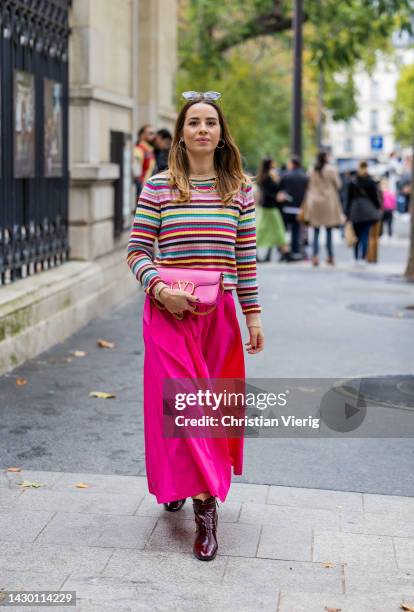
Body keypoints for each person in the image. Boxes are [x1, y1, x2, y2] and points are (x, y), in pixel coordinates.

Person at [126, 91, 264, 562]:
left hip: (218, 316)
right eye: (193, 123)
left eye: (210, 122)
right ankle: (205, 509)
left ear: (221, 133)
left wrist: (253, 314)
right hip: (167, 315)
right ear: (181, 135)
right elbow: (137, 252)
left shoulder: (239, 190)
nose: (202, 129)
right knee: (184, 407)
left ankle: (191, 491)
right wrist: (161, 290)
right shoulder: (159, 187)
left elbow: (244, 259)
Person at [303, 151, 343, 266]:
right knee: (329, 230)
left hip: (315, 202)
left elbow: (308, 185)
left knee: (315, 231)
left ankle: (315, 256)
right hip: (328, 202)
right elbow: (338, 185)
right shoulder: (331, 170)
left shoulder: (312, 170)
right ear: (326, 158)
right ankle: (330, 256)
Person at [345, 161, 381, 264]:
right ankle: (362, 257)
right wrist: (378, 207)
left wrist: (347, 212)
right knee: (365, 234)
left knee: (355, 234)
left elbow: (348, 198)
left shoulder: (353, 180)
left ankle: (356, 257)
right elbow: (375, 197)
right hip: (368, 210)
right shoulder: (370, 180)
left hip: (355, 210)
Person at [255, 157, 290, 263]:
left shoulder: (268, 175)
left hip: (268, 207)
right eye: (273, 162)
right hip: (269, 208)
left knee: (269, 231)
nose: (275, 163)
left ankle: (283, 252)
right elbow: (268, 193)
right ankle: (285, 252)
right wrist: (277, 197)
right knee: (270, 231)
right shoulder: (266, 177)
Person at [277, 155, 309, 259]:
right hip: (299, 208)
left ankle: (284, 252)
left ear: (292, 164)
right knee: (296, 230)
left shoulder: (285, 175)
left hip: (286, 207)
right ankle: (295, 251)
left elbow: (279, 189)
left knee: (284, 230)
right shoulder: (305, 177)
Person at [133, 125, 156, 199]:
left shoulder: (149, 150)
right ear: (142, 135)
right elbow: (136, 174)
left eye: (154, 133)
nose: (154, 136)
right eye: (150, 133)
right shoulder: (138, 150)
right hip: (142, 191)